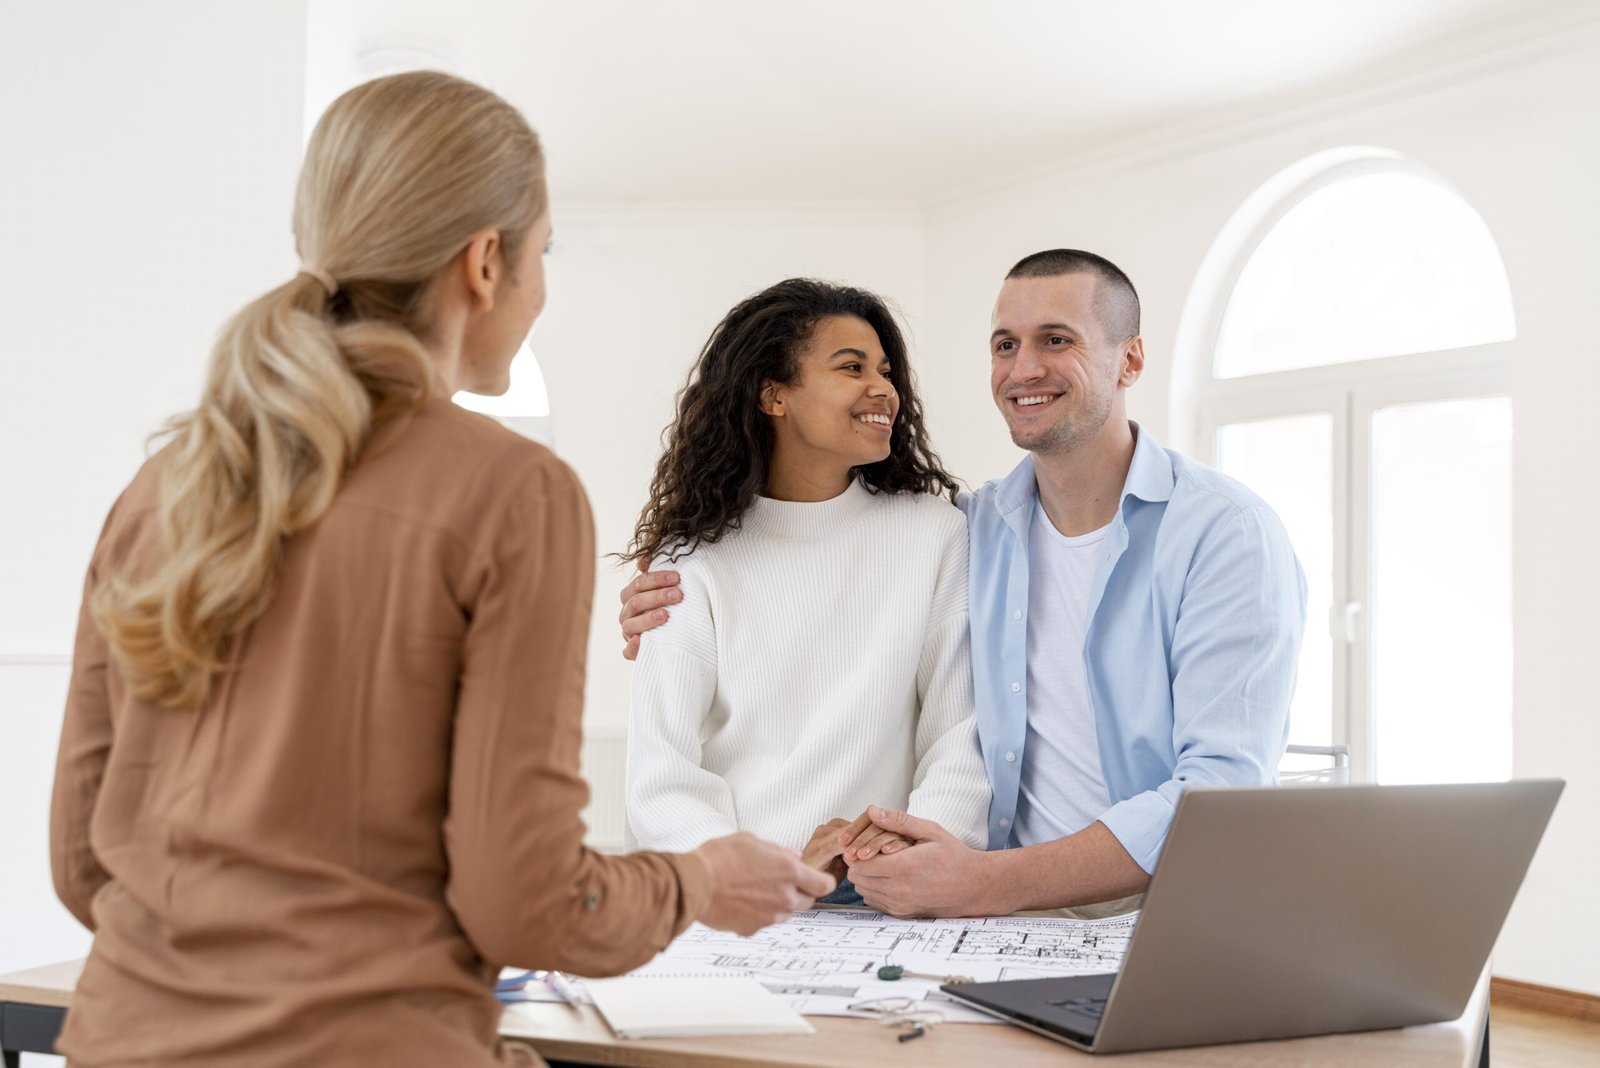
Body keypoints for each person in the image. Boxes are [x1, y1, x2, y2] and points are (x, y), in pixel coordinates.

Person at [49, 72, 830, 1068]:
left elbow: (83, 867)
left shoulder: (165, 484)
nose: (542, 287)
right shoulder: (514, 493)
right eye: (544, 253)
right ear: (485, 262)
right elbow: (528, 905)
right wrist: (700, 881)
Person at [620, 250, 1306, 918]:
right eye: (1005, 344)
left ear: (1131, 359)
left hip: (1156, 913)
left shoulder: (1222, 533)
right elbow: (670, 766)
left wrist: (964, 874)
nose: (1023, 367)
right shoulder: (983, 526)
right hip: (977, 918)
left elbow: (1219, 789)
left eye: (1056, 340)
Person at [622, 278, 991, 895]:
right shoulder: (692, 561)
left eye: (886, 370)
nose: (884, 389)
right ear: (774, 396)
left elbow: (961, 732)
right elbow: (661, 776)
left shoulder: (935, 535)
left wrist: (912, 841)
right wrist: (775, 875)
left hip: (892, 892)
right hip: (742, 901)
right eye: (852, 367)